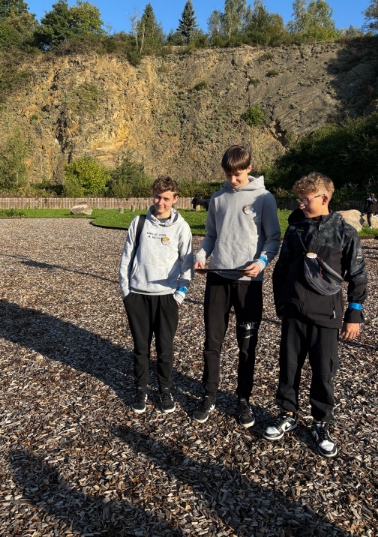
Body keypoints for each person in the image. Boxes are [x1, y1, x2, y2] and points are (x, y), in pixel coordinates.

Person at [264, 172, 367, 457]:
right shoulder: (296, 229)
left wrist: (354, 313)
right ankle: (287, 413)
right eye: (299, 199)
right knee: (288, 366)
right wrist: (281, 303)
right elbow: (282, 268)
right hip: (294, 312)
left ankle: (321, 422)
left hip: (327, 314)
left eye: (305, 199)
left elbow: (358, 275)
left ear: (324, 198)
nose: (300, 204)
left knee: (324, 370)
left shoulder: (345, 232)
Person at [193, 145, 281, 427]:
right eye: (228, 175)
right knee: (212, 343)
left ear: (249, 169)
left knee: (247, 346)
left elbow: (273, 238)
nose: (233, 180)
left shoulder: (264, 198)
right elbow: (210, 235)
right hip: (218, 278)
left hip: (248, 282)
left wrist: (262, 262)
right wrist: (200, 255)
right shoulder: (217, 198)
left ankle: (243, 399)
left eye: (238, 175)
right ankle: (209, 395)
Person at [119, 176, 193, 414]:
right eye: (157, 197)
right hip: (138, 296)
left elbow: (187, 264)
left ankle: (165, 390)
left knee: (165, 349)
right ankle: (140, 389)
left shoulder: (181, 227)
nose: (160, 202)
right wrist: (126, 291)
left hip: (167, 297)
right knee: (141, 348)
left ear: (175, 199)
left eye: (166, 198)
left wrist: (179, 295)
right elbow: (126, 257)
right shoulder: (139, 222)